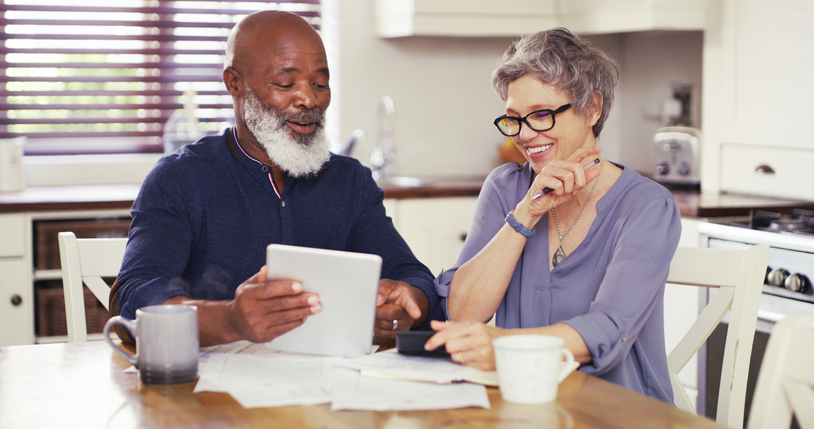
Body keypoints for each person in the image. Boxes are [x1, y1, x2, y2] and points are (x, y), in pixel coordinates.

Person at [111, 10, 443, 346]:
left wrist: (410, 302)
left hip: (330, 374)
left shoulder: (351, 181)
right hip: (211, 377)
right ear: (234, 83)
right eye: (286, 84)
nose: (309, 100)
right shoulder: (180, 179)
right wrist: (229, 319)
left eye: (320, 84)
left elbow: (414, 277)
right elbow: (135, 299)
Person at [425, 28, 681, 403]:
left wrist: (503, 346)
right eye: (514, 119)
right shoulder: (505, 188)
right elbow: (462, 315)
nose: (525, 135)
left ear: (592, 108)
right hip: (521, 406)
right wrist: (525, 214)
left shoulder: (646, 206)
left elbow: (608, 328)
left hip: (620, 412)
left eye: (542, 115)